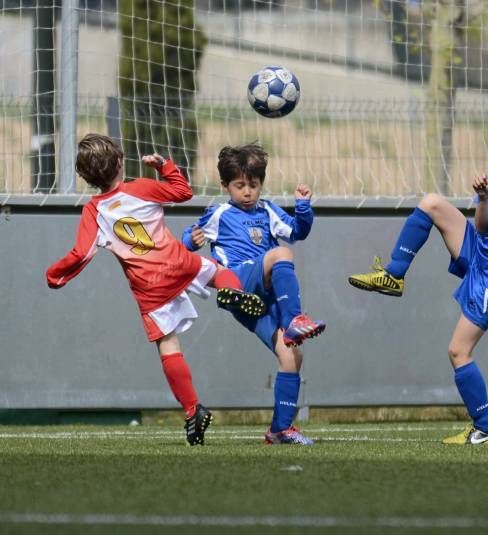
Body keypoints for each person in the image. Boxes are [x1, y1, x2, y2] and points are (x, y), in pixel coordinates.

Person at [348, 117, 488, 445]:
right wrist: (481, 198)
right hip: (477, 247)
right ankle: (394, 275)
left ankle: (485, 429)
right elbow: (480, 227)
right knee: (432, 202)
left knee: (458, 351)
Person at [46, 134, 266, 446]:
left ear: (85, 177)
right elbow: (183, 192)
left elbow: (81, 254)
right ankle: (232, 293)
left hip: (150, 287)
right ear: (121, 163)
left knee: (168, 345)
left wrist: (55, 275)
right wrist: (165, 166)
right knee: (219, 272)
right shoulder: (141, 188)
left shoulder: (93, 212)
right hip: (177, 261)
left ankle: (193, 410)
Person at [182, 144, 325, 445]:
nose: (247, 192)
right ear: (225, 186)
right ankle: (295, 318)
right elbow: (188, 239)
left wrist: (303, 207)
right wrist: (191, 240)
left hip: (260, 298)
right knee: (281, 254)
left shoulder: (269, 210)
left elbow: (298, 231)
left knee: (292, 356)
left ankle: (280, 429)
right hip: (238, 281)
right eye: (239, 185)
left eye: (253, 185)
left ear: (261, 184)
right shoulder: (219, 213)